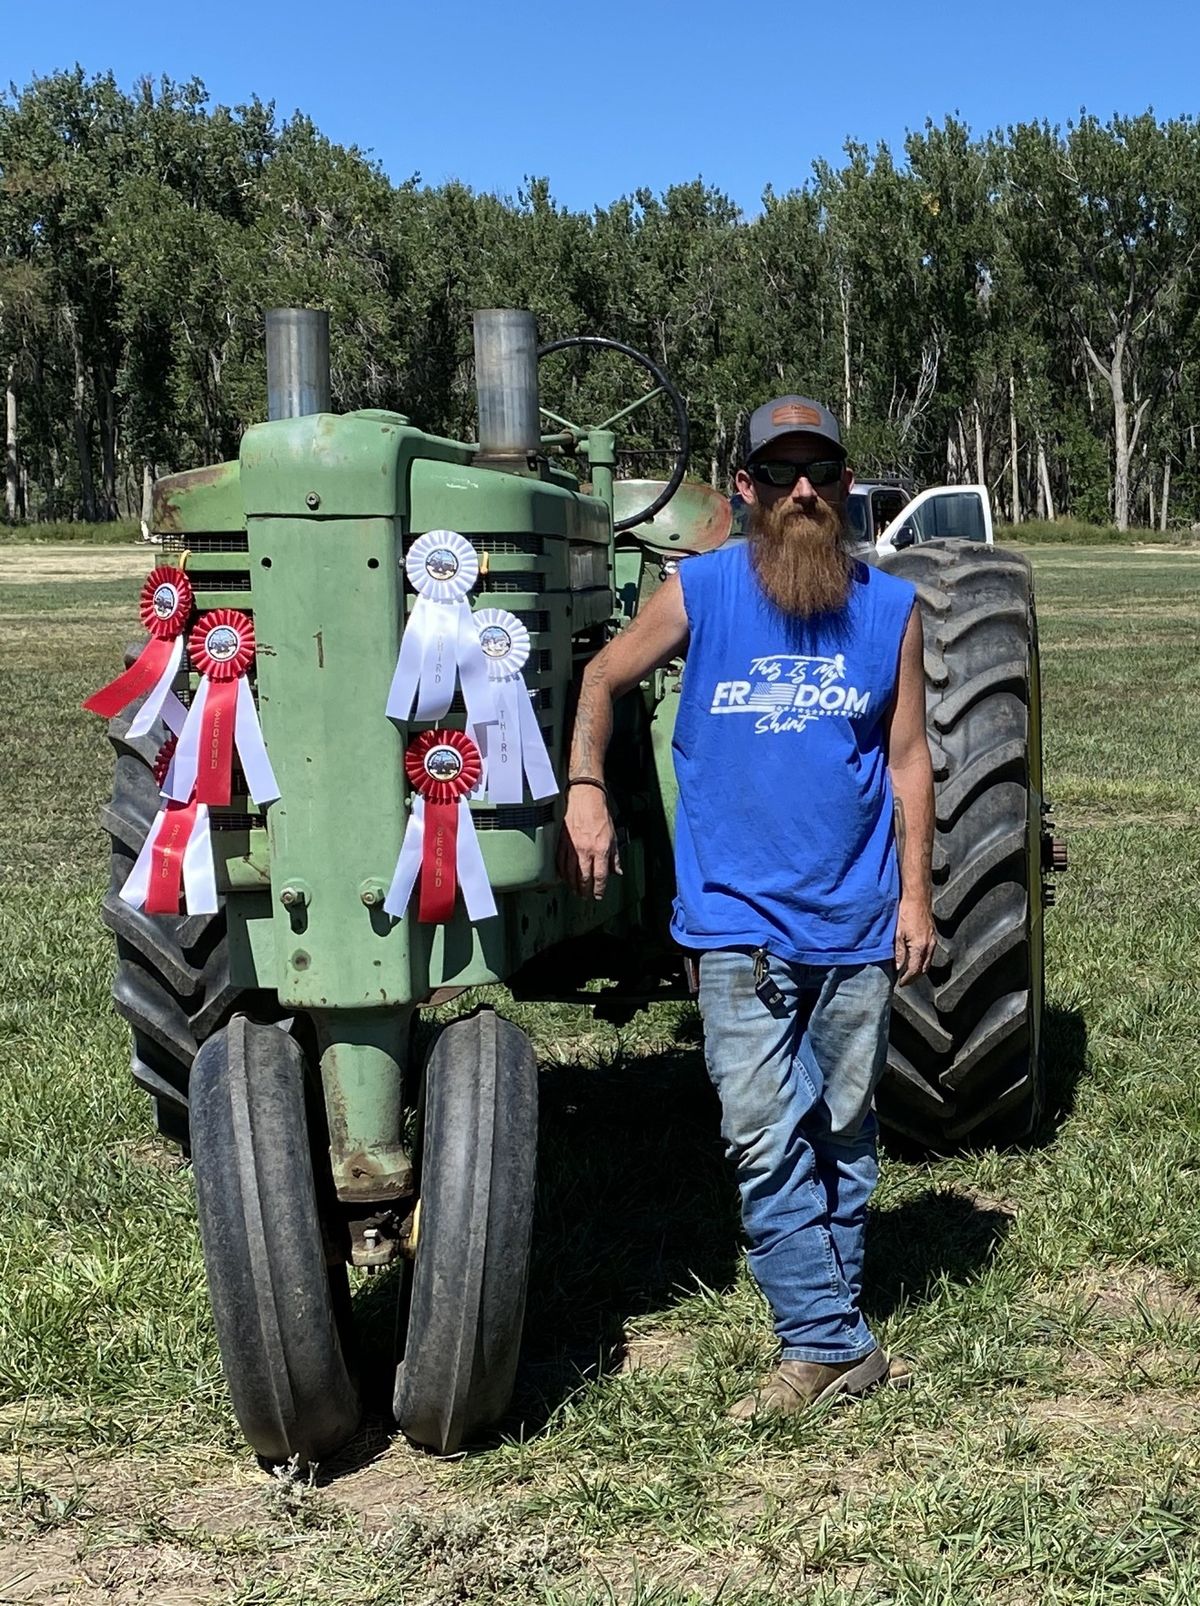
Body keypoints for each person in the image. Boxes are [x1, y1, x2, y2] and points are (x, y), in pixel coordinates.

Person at [558, 395, 936, 1417]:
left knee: (848, 1133)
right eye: (779, 473)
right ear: (747, 489)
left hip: (856, 916)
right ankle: (823, 1341)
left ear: (846, 487)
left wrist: (917, 895)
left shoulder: (889, 610)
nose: (801, 489)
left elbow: (908, 762)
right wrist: (586, 787)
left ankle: (832, 1334)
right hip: (734, 921)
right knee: (765, 1134)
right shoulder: (703, 589)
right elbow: (600, 676)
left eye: (820, 471)